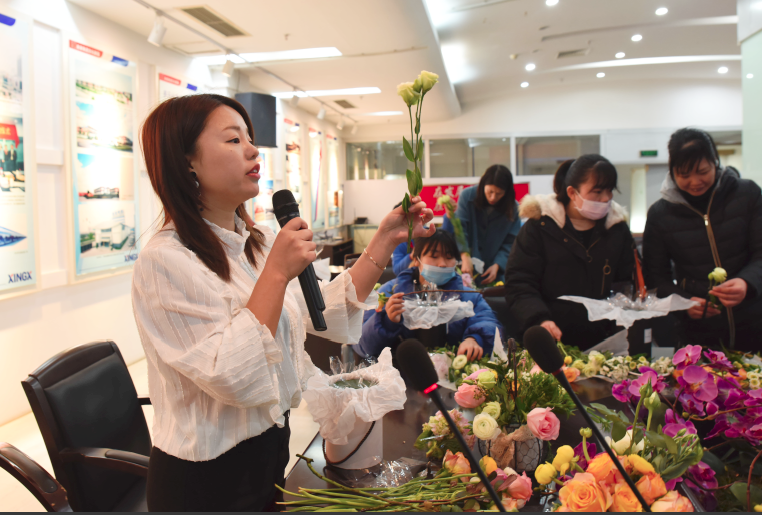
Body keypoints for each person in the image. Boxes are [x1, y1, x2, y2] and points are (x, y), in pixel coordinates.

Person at [132, 93, 435, 512]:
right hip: (204, 480)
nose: (253, 150)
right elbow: (233, 375)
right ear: (187, 162)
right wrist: (276, 273)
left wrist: (385, 240)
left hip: (269, 453)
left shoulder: (255, 242)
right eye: (233, 140)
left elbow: (319, 312)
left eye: (249, 138)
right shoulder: (164, 261)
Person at [643, 128, 762, 351]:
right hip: (699, 335)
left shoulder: (748, 194)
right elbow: (656, 278)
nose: (695, 181)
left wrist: (747, 282)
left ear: (715, 162)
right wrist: (683, 303)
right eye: (684, 175)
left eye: (702, 171)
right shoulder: (660, 214)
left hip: (755, 324)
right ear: (672, 171)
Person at [504, 155, 635, 350]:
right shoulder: (539, 227)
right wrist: (539, 319)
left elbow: (626, 282)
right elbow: (519, 282)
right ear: (572, 192)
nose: (606, 198)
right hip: (551, 341)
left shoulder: (617, 229)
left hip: (605, 342)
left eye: (610, 190)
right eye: (597, 191)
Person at [356, 229, 502, 360]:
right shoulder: (389, 294)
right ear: (416, 259)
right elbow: (361, 345)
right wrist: (387, 322)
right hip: (399, 376)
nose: (442, 264)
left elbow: (488, 323)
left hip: (454, 375)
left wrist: (475, 339)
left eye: (449, 257)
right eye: (434, 256)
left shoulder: (469, 297)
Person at [456, 165, 521, 285]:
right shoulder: (467, 196)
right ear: (483, 185)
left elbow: (511, 242)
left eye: (499, 193)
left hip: (494, 273)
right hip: (464, 268)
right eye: (490, 191)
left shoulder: (513, 208)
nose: (493, 197)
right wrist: (465, 256)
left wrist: (498, 265)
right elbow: (459, 230)